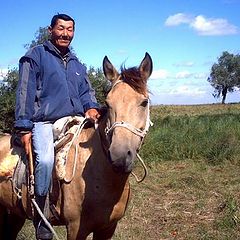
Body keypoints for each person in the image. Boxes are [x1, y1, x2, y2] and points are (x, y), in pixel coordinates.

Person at [15, 13, 100, 240]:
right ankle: (41, 216)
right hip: (44, 121)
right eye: (61, 28)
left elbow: (86, 93)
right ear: (51, 30)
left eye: (70, 29)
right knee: (45, 159)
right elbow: (25, 91)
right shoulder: (36, 56)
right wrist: (24, 127)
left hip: (74, 120)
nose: (65, 34)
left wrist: (91, 107)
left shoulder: (77, 64)